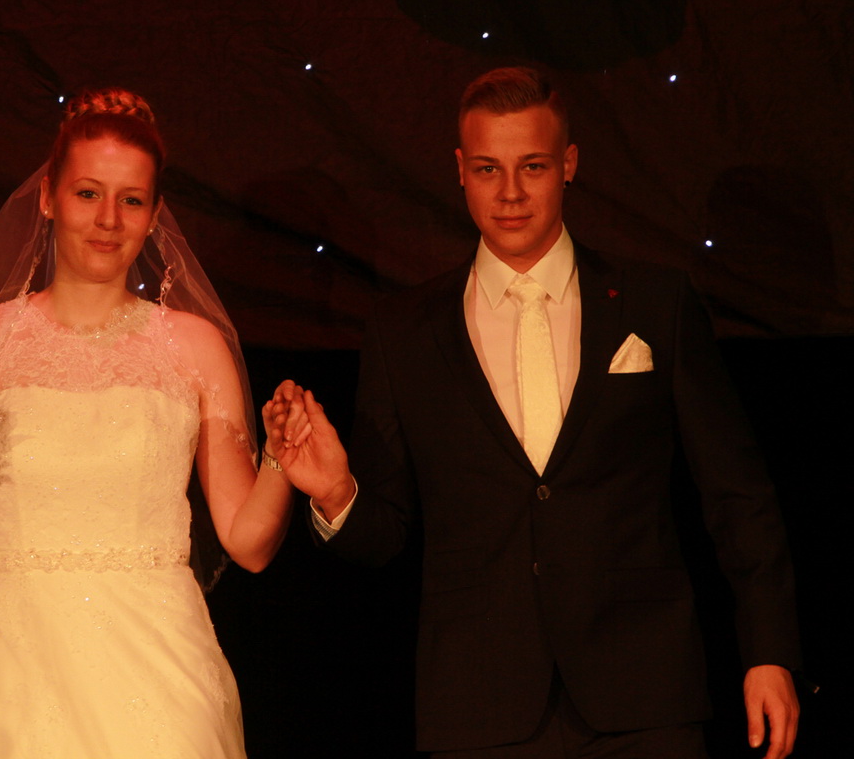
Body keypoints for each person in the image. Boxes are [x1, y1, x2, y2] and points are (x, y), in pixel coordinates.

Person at [279, 67, 801, 757]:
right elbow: (386, 534)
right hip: (480, 706)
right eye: (488, 169)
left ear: (569, 164)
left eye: (533, 166)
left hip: (643, 696)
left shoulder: (655, 304)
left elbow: (738, 495)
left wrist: (769, 651)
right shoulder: (404, 331)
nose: (511, 193)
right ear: (460, 170)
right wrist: (336, 495)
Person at [0, 89, 304, 758]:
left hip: (159, 671)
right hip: (11, 670)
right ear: (49, 197)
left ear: (154, 215)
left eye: (131, 200)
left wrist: (281, 455)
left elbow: (248, 543)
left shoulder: (194, 348)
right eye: (87, 194)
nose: (108, 219)